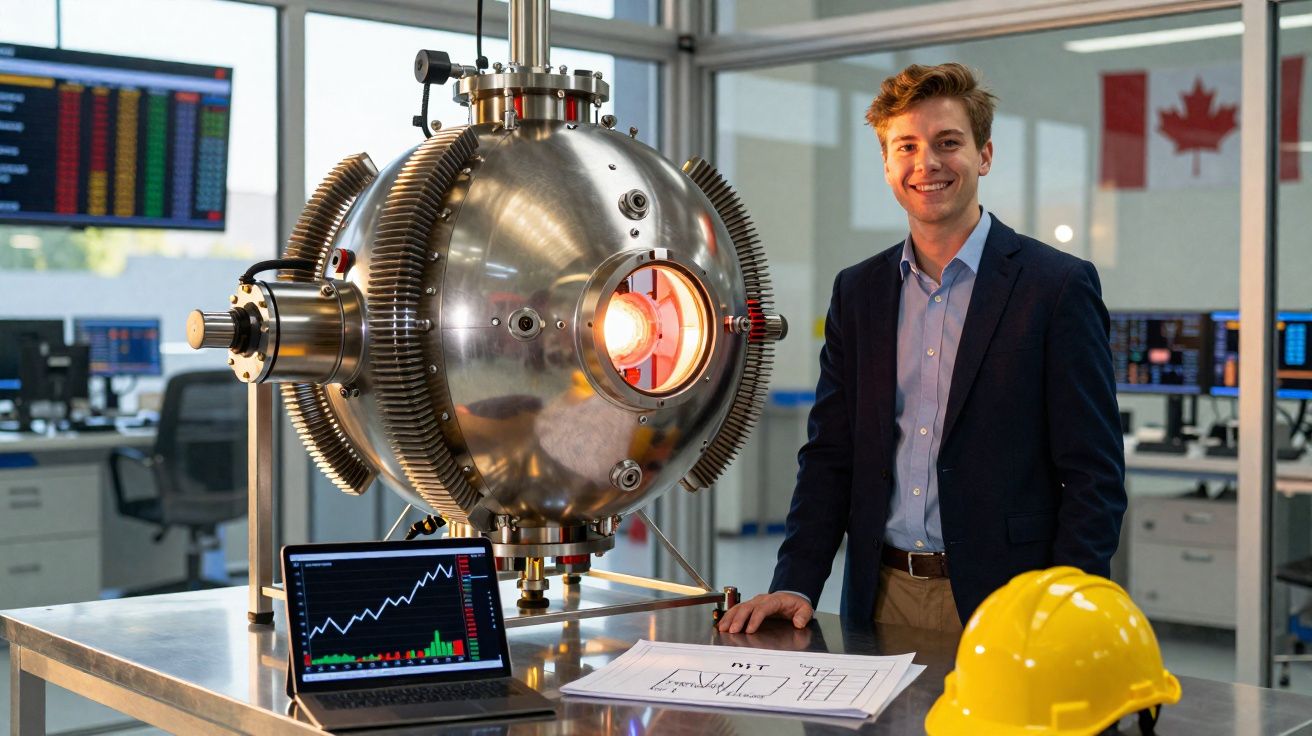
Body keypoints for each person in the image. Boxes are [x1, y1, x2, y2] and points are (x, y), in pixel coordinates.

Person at [716, 62, 1126, 635]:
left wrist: (1069, 603)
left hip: (1013, 600)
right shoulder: (858, 291)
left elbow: (1093, 473)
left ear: (984, 155)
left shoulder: (1054, 286)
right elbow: (832, 454)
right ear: (886, 163)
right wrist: (796, 580)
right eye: (905, 146)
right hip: (880, 594)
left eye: (948, 142)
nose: (926, 163)